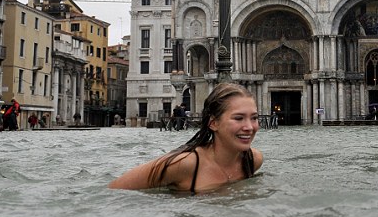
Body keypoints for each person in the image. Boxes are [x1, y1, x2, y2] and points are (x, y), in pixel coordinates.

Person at [109, 83, 264, 194]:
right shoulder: (185, 163)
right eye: (238, 118)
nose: (249, 127)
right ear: (213, 123)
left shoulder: (253, 160)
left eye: (254, 118)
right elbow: (115, 190)